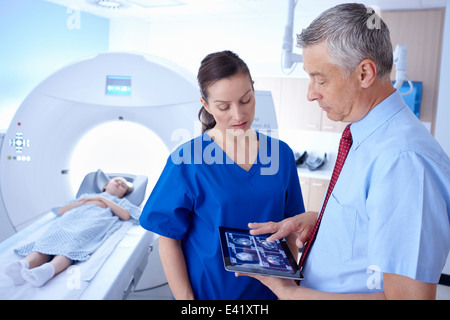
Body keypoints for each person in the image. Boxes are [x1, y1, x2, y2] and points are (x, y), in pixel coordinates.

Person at [241, 3, 450, 299]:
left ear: (364, 73)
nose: (311, 93)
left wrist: (289, 294)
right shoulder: (363, 135)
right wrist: (325, 222)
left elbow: (407, 299)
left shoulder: (405, 162)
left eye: (321, 79)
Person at [139, 50, 305, 300]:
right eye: (224, 107)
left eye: (246, 100)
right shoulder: (187, 159)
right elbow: (168, 239)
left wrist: (289, 291)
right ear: (205, 105)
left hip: (270, 294)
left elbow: (290, 230)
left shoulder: (280, 155)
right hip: (210, 295)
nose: (238, 116)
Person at [4, 177, 140, 287]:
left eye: (123, 185)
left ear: (124, 193)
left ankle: (47, 270)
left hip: (93, 222)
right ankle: (23, 265)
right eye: (116, 180)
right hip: (70, 219)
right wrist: (83, 203)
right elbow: (60, 211)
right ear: (105, 185)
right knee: (49, 240)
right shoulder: (87, 196)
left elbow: (126, 216)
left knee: (74, 242)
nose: (119, 183)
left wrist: (103, 200)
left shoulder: (120, 202)